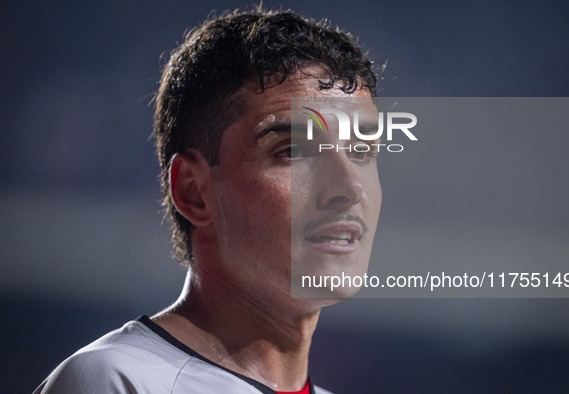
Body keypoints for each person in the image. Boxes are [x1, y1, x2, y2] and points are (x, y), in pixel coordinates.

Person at [34, 7, 381, 393]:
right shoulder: (115, 380)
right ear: (193, 192)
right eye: (293, 151)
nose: (350, 187)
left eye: (362, 152)